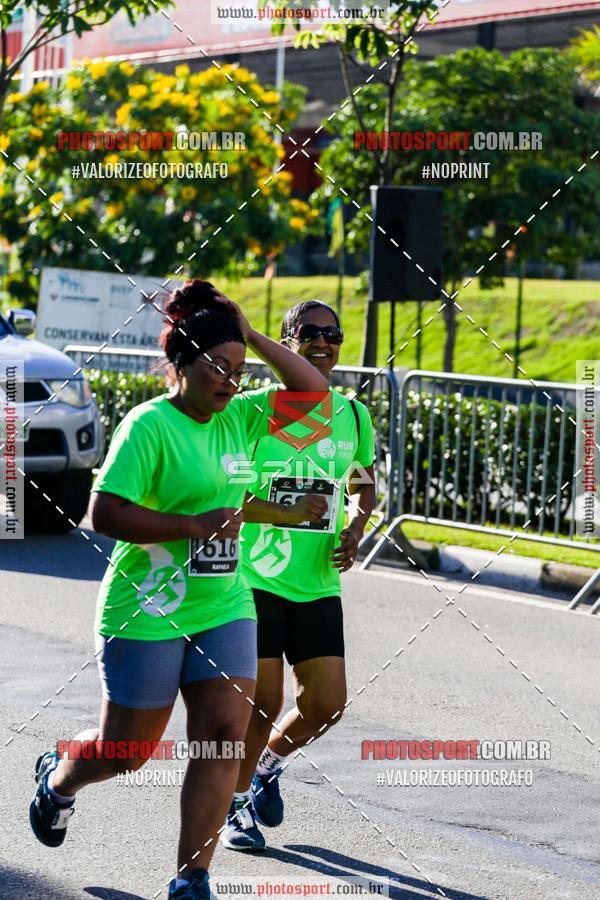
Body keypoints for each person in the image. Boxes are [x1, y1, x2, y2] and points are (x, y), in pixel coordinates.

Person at [28, 280, 328, 900]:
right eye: (217, 366)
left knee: (222, 736)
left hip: (223, 604)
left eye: (238, 370)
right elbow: (103, 513)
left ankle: (193, 876)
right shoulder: (149, 426)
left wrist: (245, 333)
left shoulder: (242, 417)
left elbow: (313, 391)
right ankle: (60, 780)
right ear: (181, 363)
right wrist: (190, 527)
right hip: (145, 607)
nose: (230, 381)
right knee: (127, 751)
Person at [220, 299, 376, 851]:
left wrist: (356, 529)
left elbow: (363, 483)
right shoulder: (253, 411)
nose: (323, 342)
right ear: (287, 341)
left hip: (317, 583)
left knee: (327, 704)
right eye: (309, 332)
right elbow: (227, 494)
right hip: (253, 576)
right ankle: (234, 808)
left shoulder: (353, 415)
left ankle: (265, 766)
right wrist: (281, 510)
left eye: (333, 334)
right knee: (263, 700)